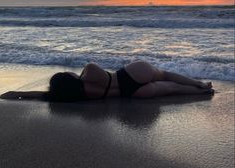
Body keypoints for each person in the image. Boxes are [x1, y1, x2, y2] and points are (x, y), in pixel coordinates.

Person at [48, 60, 214, 101]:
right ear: (67, 76)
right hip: (132, 74)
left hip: (135, 93)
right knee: (166, 75)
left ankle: (203, 92)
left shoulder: (81, 96)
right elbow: (77, 74)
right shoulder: (89, 71)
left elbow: (45, 95)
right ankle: (199, 83)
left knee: (175, 89)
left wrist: (22, 95)